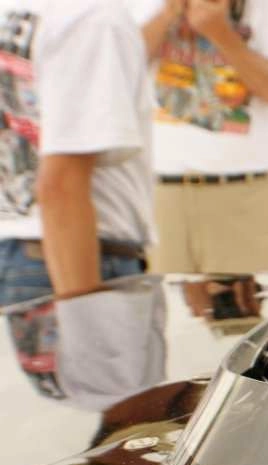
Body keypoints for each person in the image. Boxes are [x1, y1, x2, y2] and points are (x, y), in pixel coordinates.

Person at [0, 0, 154, 308]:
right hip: (75, 262)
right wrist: (85, 312)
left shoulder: (16, 11)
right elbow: (61, 185)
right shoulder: (93, 18)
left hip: (22, 250)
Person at [135, 0, 268, 274]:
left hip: (242, 196)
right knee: (163, 302)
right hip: (160, 195)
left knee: (242, 304)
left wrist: (222, 34)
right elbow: (120, 69)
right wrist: (167, 15)